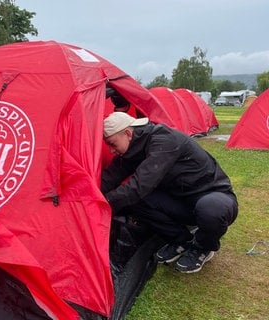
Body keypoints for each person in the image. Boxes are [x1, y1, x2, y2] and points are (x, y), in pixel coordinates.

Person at [101, 112, 238, 273]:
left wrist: (103, 204)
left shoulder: (164, 140)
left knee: (211, 209)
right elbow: (109, 178)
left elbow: (139, 185)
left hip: (213, 196)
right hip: (181, 203)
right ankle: (181, 240)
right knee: (135, 201)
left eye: (112, 144)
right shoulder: (131, 149)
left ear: (128, 133)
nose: (111, 151)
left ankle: (203, 248)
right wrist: (84, 196)